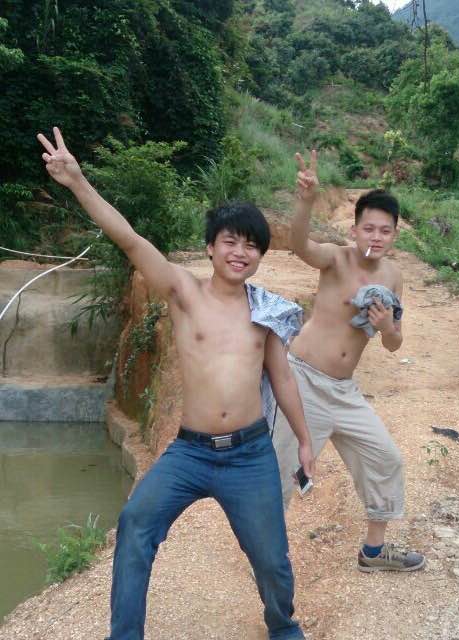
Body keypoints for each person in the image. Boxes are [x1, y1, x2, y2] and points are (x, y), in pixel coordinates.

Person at [37, 127, 314, 640]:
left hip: (250, 454)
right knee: (136, 526)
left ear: (260, 256)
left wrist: (303, 441)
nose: (241, 252)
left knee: (271, 558)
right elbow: (129, 239)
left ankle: (282, 627)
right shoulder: (183, 293)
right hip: (190, 452)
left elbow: (283, 379)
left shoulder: (265, 312)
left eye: (252, 245)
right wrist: (77, 182)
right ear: (210, 248)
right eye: (230, 241)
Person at [272, 149, 425, 573]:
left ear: (395, 235)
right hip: (303, 382)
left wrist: (387, 327)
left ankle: (373, 552)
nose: (376, 237)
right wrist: (305, 201)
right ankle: (267, 554)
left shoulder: (393, 277)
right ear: (354, 230)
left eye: (385, 231)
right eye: (368, 228)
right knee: (282, 471)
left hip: (344, 391)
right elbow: (299, 245)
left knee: (385, 458)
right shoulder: (336, 258)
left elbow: (393, 343)